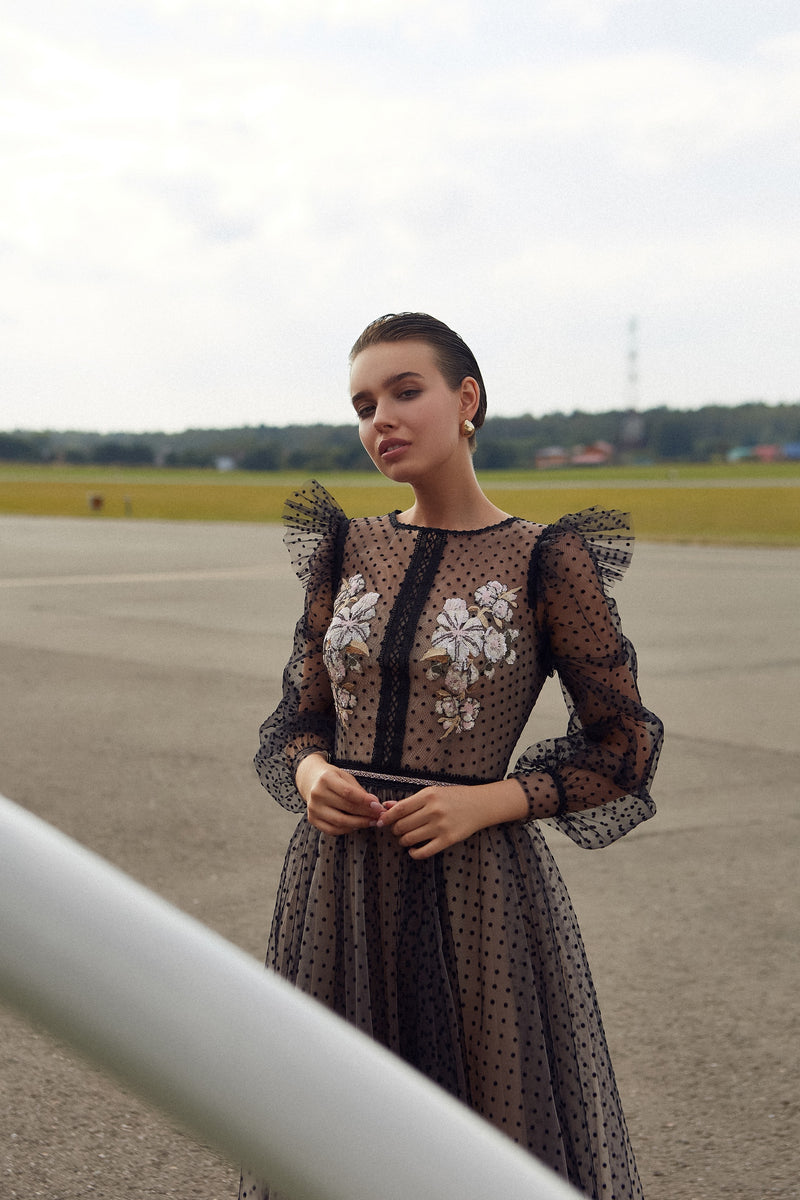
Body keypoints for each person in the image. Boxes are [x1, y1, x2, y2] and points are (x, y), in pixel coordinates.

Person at [239, 313, 663, 1200]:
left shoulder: (549, 557)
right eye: (363, 404)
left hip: (477, 887)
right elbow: (298, 721)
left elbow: (624, 744)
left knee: (482, 1136)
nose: (380, 419)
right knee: (330, 1127)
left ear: (466, 401)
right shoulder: (343, 547)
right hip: (338, 885)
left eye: (405, 392)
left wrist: (492, 800)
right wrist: (315, 777)